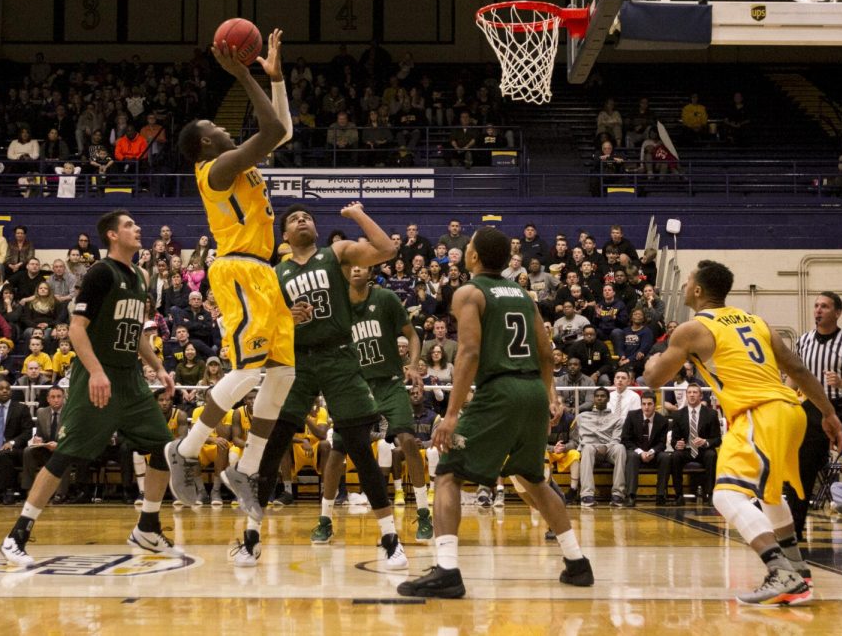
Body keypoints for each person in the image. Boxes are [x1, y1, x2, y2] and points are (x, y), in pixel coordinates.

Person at [398, 227, 592, 599]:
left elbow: (468, 352)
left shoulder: (469, 292)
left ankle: (447, 570)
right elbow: (547, 352)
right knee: (533, 478)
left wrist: (452, 414)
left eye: (468, 245)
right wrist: (551, 394)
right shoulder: (522, 293)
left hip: (499, 391)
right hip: (533, 391)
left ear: (473, 256)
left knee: (448, 472)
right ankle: (577, 562)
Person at [643, 260, 842, 607]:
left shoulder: (692, 329)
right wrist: (828, 412)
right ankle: (798, 569)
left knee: (726, 496)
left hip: (757, 413)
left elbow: (653, 380)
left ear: (699, 290)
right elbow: (795, 367)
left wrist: (649, 363)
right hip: (791, 411)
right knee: (769, 495)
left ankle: (781, 572)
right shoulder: (756, 321)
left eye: (688, 281)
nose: (685, 286)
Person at [165, 28, 295, 534]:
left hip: (265, 271)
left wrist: (276, 79)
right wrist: (242, 75)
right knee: (246, 368)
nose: (224, 129)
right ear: (204, 142)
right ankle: (186, 448)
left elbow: (279, 129)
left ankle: (246, 468)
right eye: (216, 126)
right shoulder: (215, 169)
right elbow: (268, 131)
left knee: (281, 375)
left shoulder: (234, 161)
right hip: (238, 267)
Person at [0, 210, 180, 566]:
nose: (137, 228)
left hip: (130, 379)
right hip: (97, 376)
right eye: (128, 225)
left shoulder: (142, 276)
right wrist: (97, 372)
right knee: (67, 454)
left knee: (163, 449)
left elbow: (137, 333)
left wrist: (159, 368)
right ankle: (16, 534)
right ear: (112, 236)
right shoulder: (101, 272)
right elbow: (77, 328)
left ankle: (147, 525)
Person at [246, 202, 408, 570]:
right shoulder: (275, 274)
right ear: (284, 235)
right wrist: (286, 317)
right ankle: (250, 534)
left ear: (316, 229)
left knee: (358, 447)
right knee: (275, 445)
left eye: (308, 217)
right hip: (295, 362)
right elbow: (262, 327)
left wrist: (357, 215)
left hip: (338, 357)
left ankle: (389, 537)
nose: (302, 220)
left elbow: (386, 250)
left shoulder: (336, 254)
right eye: (294, 219)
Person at [316, 263, 431, 541]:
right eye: (350, 266)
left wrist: (413, 364)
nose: (356, 269)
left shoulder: (385, 299)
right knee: (336, 453)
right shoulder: (336, 306)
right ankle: (325, 520)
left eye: (361, 266)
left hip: (389, 383)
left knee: (408, 441)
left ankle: (425, 515)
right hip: (355, 388)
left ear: (370, 272)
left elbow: (412, 335)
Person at [788, 292, 842, 527]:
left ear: (837, 312)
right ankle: (794, 527)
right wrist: (786, 399)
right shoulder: (804, 341)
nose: (818, 310)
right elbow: (794, 376)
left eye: (825, 306)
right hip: (813, 409)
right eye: (816, 306)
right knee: (801, 466)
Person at [577, 387, 626, 508]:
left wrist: (606, 446)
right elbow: (579, 438)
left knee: (620, 448)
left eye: (603, 396)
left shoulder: (617, 418)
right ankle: (587, 495)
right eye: (597, 396)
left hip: (609, 449)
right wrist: (593, 446)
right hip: (591, 447)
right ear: (593, 399)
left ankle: (618, 494)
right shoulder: (582, 417)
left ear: (608, 399)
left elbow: (616, 438)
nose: (599, 398)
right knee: (587, 449)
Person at [621, 391, 671, 506]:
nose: (646, 407)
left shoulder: (662, 420)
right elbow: (625, 439)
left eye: (649, 404)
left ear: (655, 405)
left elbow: (662, 443)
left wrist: (652, 451)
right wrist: (640, 452)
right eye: (644, 404)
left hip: (653, 453)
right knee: (632, 456)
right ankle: (631, 495)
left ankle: (660, 495)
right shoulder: (632, 416)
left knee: (665, 457)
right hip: (636, 451)